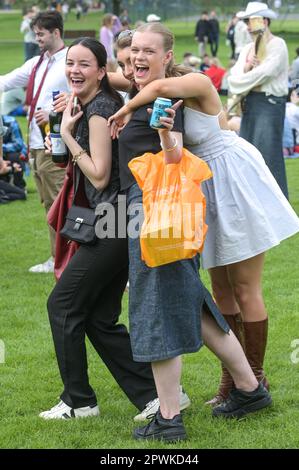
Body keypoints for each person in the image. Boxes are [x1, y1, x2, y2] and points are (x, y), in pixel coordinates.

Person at [108, 23, 299, 417]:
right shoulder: (147, 83)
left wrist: (124, 109)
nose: (138, 61)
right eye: (133, 54)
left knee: (245, 288)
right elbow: (120, 75)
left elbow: (156, 88)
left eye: (148, 51)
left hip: (231, 179)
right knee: (218, 291)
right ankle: (232, 383)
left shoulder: (193, 82)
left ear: (168, 56)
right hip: (198, 188)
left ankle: (256, 378)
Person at [40, 37, 156, 420]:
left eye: (84, 64)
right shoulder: (91, 105)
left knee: (61, 304)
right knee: (97, 317)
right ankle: (157, 396)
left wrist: (70, 137)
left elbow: (101, 176)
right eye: (70, 63)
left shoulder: (99, 109)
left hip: (114, 222)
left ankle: (79, 401)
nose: (74, 70)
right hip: (120, 220)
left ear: (101, 70)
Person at [0, 11, 69, 273]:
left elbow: (84, 91)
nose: (36, 38)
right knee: (48, 204)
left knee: (59, 203)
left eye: (41, 34)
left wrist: (56, 108)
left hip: (58, 145)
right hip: (37, 144)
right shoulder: (37, 63)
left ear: (56, 32)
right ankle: (57, 257)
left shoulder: (69, 62)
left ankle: (63, 259)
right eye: (35, 33)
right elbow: (5, 81)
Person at [228, 2, 289, 198]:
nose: (247, 26)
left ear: (264, 21)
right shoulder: (247, 49)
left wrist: (241, 80)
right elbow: (233, 76)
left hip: (269, 104)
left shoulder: (277, 44)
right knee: (248, 154)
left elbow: (265, 73)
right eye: (246, 21)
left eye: (251, 21)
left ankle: (277, 203)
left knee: (268, 154)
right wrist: (246, 68)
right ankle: (254, 202)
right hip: (250, 104)